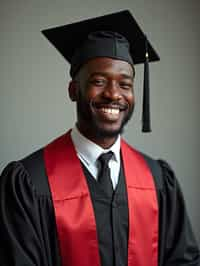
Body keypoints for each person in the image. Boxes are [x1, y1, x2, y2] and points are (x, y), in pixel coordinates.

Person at [0, 10, 199, 266]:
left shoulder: (158, 178)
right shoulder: (28, 182)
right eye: (99, 81)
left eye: (125, 85)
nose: (113, 94)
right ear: (74, 90)